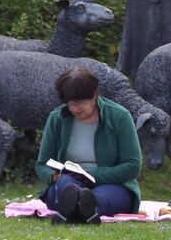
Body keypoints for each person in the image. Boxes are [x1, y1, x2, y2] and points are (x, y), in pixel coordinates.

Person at [35, 67, 142, 224]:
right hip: (68, 182)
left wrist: (93, 177)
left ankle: (78, 209)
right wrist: (54, 176)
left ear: (94, 95)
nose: (74, 109)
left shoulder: (120, 117)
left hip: (112, 184)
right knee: (66, 187)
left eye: (79, 103)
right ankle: (81, 210)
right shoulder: (57, 118)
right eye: (69, 103)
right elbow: (42, 164)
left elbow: (133, 166)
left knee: (97, 197)